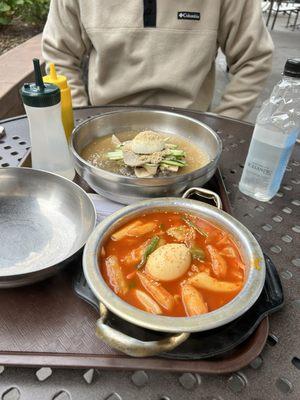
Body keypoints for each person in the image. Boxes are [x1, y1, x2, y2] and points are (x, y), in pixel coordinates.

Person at [42, 0, 274, 120]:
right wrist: (82, 121)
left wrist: (221, 126)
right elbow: (59, 55)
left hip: (191, 122)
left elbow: (254, 58)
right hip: (105, 120)